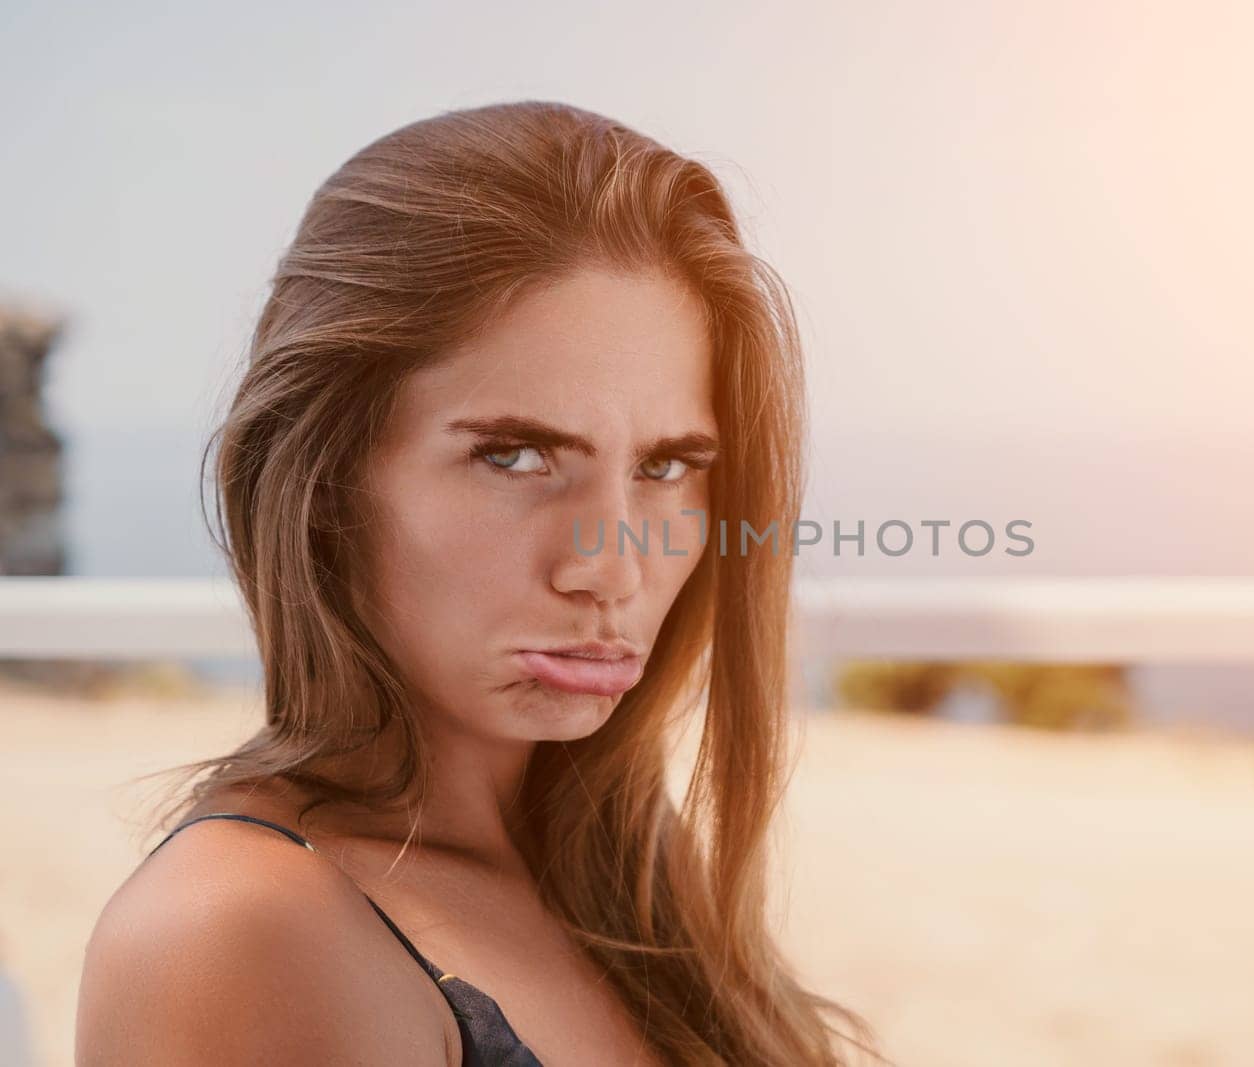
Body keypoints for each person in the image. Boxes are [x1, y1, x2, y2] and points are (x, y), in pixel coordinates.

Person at [75, 100, 887, 1067]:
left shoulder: (627, 883)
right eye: (515, 456)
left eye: (667, 467)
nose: (612, 566)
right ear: (324, 477)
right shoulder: (244, 927)